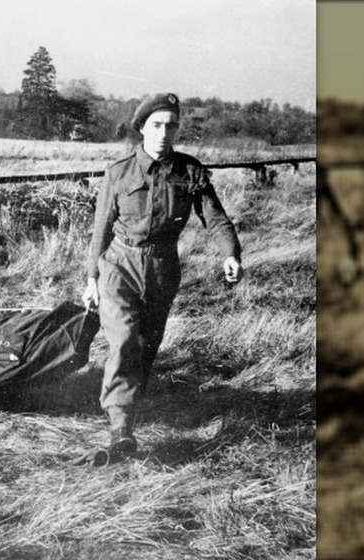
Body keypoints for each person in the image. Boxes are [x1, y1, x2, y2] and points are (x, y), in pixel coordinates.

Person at [81, 92, 243, 460]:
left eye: (171, 126)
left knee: (147, 347)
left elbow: (215, 218)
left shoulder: (190, 172)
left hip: (162, 270)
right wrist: (91, 277)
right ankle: (120, 430)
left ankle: (128, 414)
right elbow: (100, 230)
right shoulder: (118, 172)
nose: (164, 133)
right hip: (119, 266)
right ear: (142, 128)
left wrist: (230, 253)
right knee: (124, 339)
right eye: (156, 125)